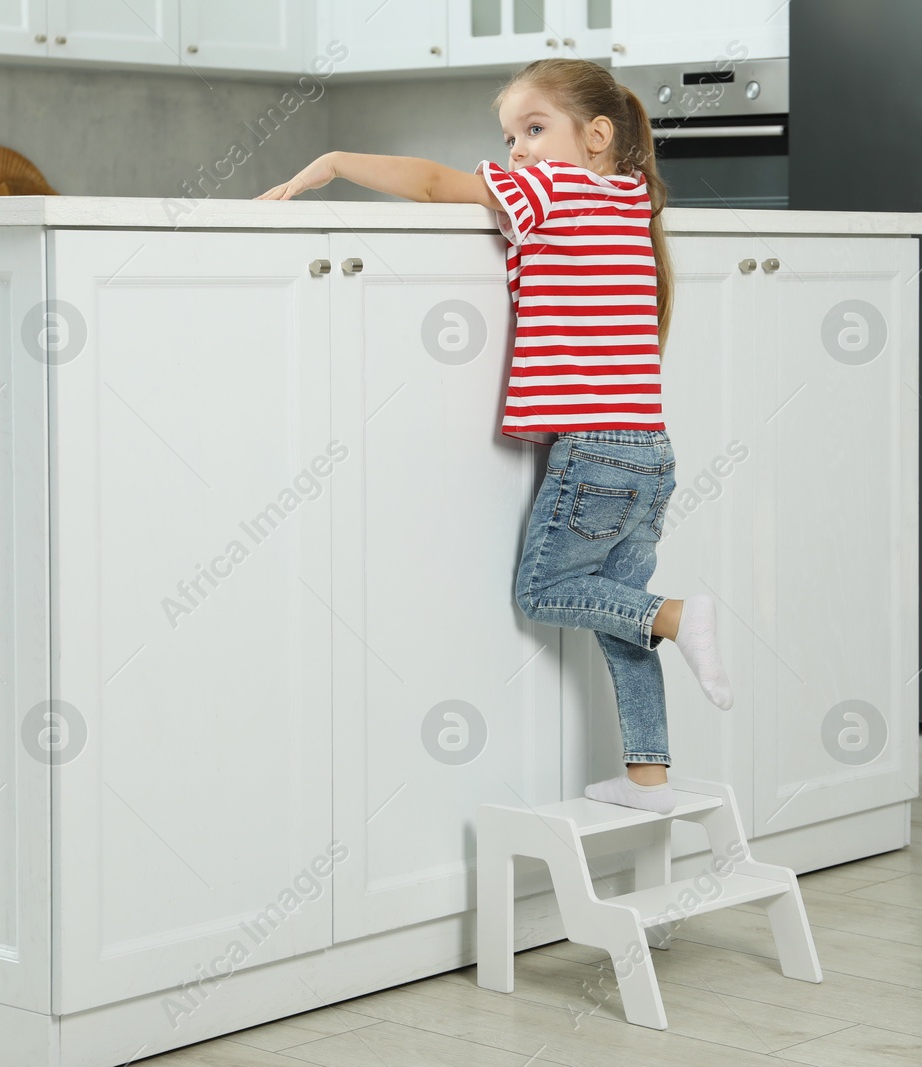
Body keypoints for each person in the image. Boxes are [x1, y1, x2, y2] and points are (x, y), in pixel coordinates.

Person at [256, 58, 732, 814]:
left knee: (547, 590)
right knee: (619, 616)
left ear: (596, 135)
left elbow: (433, 185)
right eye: (510, 137)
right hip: (650, 453)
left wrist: (334, 162)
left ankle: (677, 615)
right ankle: (650, 777)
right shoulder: (630, 199)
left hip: (596, 450)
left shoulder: (556, 187)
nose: (518, 152)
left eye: (534, 129)